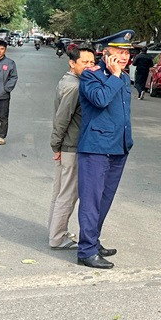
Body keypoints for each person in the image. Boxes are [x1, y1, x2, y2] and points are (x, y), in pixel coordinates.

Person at [76, 30, 135, 269]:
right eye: (119, 53)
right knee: (91, 200)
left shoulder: (123, 78)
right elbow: (100, 100)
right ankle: (86, 251)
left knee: (105, 199)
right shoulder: (91, 76)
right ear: (106, 54)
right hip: (95, 148)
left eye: (127, 53)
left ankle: (93, 240)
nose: (124, 57)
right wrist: (114, 76)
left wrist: (127, 140)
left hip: (118, 147)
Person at [47, 46, 96, 250]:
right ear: (72, 63)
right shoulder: (75, 86)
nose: (89, 66)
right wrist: (56, 144)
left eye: (92, 62)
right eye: (84, 62)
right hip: (71, 146)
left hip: (66, 144)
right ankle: (58, 238)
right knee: (68, 194)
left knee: (59, 191)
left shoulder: (67, 80)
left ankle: (55, 230)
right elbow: (62, 118)